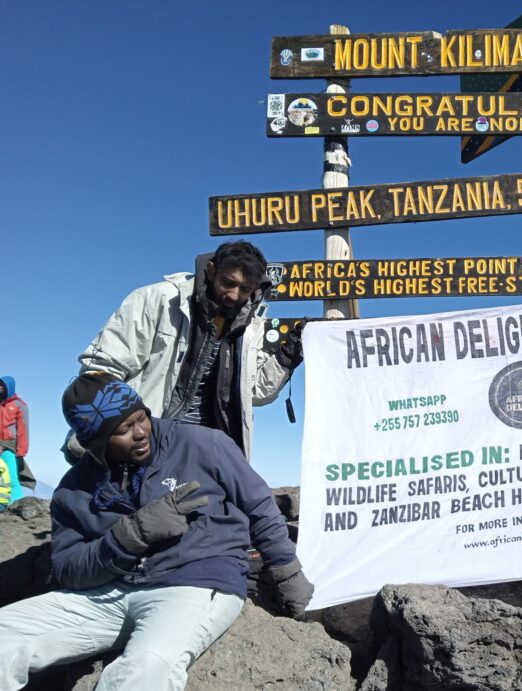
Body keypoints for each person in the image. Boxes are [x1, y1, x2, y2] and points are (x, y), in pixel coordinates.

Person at [0, 373, 313, 690]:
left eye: (141, 417)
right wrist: (127, 538)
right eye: (122, 430)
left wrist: (288, 576)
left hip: (195, 583)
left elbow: (259, 506)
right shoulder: (73, 490)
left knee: (145, 668)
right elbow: (68, 569)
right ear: (95, 442)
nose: (139, 432)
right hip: (108, 593)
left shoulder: (202, 445)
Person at [76, 241, 302, 460]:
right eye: (228, 282)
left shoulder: (251, 327)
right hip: (146, 445)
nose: (234, 294)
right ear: (211, 270)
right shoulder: (158, 300)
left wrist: (287, 356)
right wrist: (126, 433)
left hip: (207, 452)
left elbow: (253, 393)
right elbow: (102, 371)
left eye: (244, 289)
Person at [0, 376, 33, 502]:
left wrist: (21, 452)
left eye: (2, 385)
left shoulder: (20, 405)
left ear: (8, 387)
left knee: (12, 478)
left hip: (9, 446)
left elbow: (23, 430)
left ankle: (16, 505)